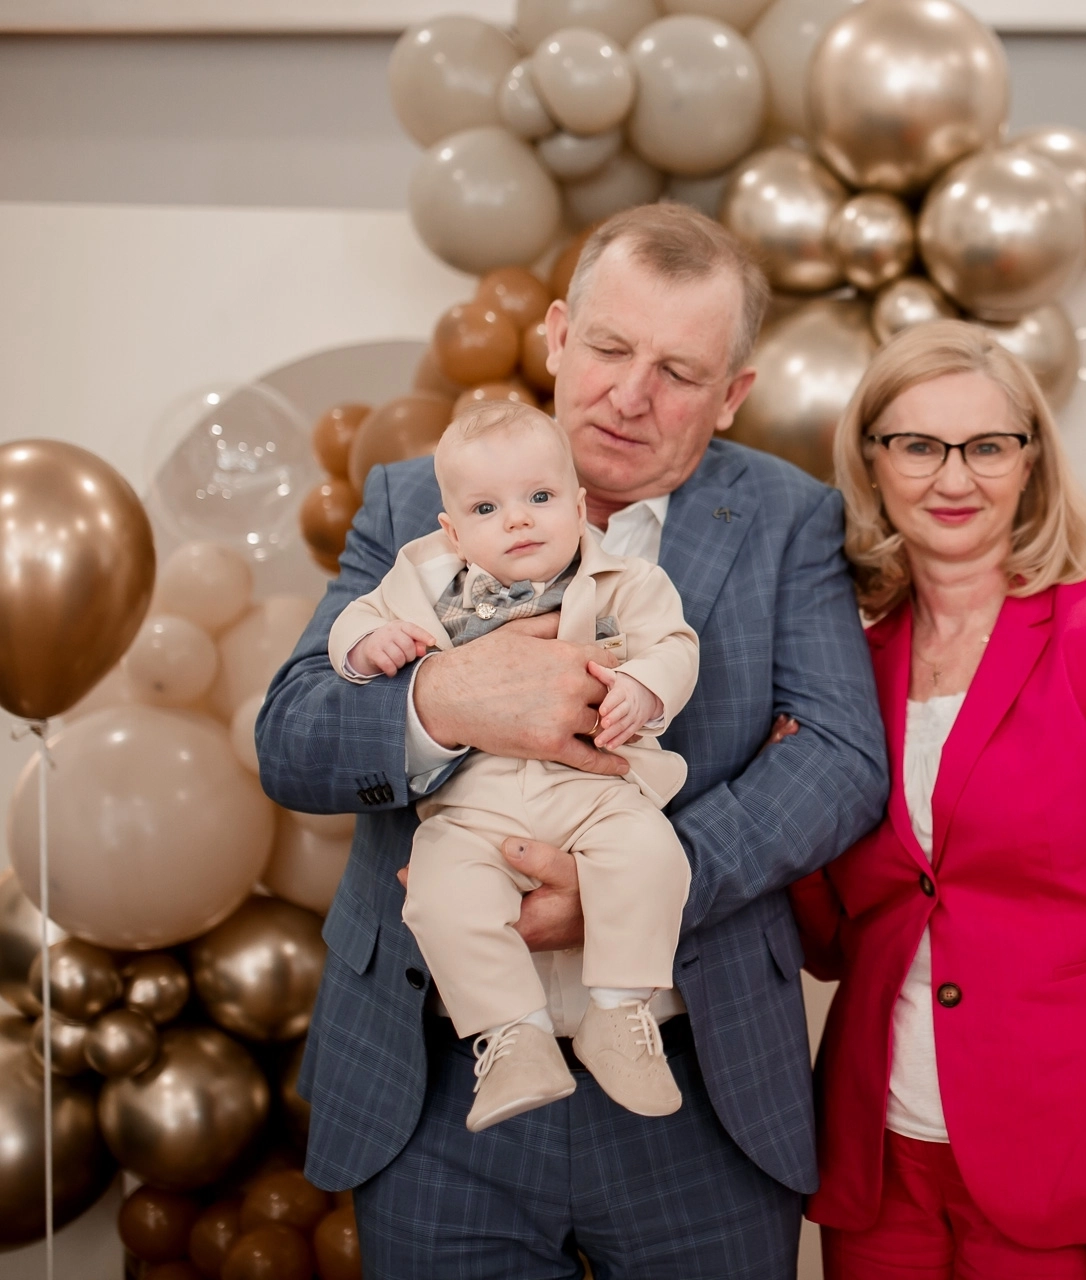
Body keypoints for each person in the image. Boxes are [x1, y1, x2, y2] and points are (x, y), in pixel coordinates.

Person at [256, 202, 888, 1279]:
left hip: (698, 1079)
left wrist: (631, 885)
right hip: (436, 1077)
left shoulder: (789, 518)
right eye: (608, 348)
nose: (631, 395)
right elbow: (292, 736)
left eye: (679, 372)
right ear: (556, 336)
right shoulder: (415, 502)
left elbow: (840, 757)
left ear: (734, 393)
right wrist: (446, 699)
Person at [790, 320, 1086, 1280]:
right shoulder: (845, 666)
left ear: (1030, 462)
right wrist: (780, 779)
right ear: (871, 462)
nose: (954, 478)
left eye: (988, 446)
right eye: (919, 445)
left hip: (1067, 1170)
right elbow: (834, 945)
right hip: (878, 1165)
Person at [329, 400, 699, 1131]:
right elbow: (352, 625)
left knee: (651, 854)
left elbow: (674, 645)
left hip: (593, 787)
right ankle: (513, 1035)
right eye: (486, 509)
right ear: (453, 532)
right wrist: (368, 648)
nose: (519, 521)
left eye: (540, 497)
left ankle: (619, 1012)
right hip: (475, 800)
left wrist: (644, 687)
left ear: (579, 506)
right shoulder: (422, 583)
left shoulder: (628, 581)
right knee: (440, 892)